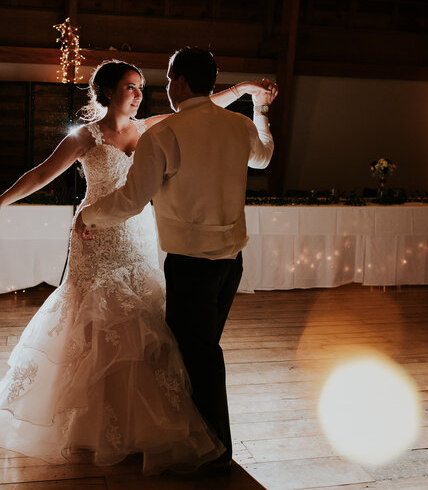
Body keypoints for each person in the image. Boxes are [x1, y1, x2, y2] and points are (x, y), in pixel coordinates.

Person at [0, 59, 274, 475]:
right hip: (95, 236)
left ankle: (135, 422)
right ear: (108, 90)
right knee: (97, 318)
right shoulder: (86, 136)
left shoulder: (152, 127)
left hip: (139, 234)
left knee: (142, 320)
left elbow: (203, 107)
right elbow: (42, 173)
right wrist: (0, 201)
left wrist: (243, 90)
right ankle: (92, 419)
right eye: (130, 86)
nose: (137, 93)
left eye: (141, 87)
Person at [75, 47, 277, 474]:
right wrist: (260, 112)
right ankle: (196, 437)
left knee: (198, 354)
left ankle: (214, 449)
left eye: (167, 79)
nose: (164, 88)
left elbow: (131, 200)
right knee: (200, 348)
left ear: (181, 82)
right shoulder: (238, 125)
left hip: (191, 263)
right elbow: (263, 156)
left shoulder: (163, 135)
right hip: (231, 262)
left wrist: (88, 214)